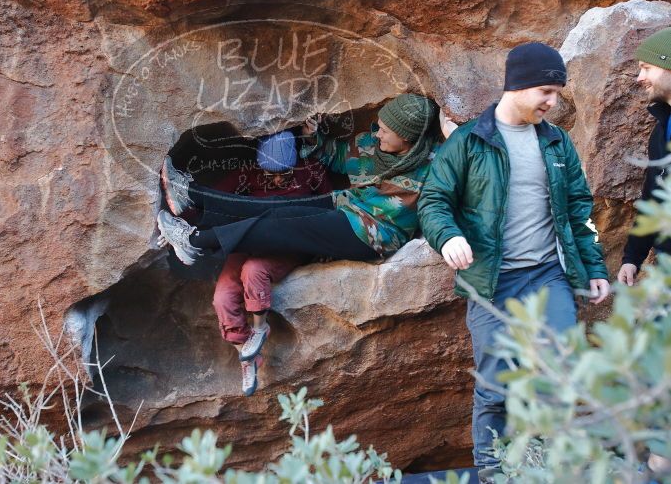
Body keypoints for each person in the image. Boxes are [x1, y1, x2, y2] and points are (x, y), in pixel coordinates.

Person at [417, 42, 610, 478]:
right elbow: (433, 201)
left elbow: (580, 208)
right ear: (518, 85)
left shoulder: (557, 142)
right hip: (491, 283)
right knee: (495, 388)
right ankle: (493, 474)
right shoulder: (469, 142)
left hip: (548, 277)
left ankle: (553, 470)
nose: (552, 102)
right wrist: (447, 236)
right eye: (546, 90)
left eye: (557, 93)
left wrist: (595, 268)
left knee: (559, 377)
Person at [155, 92, 441, 272]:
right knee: (278, 206)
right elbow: (336, 155)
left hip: (372, 234)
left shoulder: (433, 167)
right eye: (378, 125)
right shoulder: (370, 144)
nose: (377, 133)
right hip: (346, 207)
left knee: (284, 224)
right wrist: (311, 135)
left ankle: (194, 241)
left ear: (409, 138)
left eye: (387, 131)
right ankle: (192, 195)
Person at [209, 131, 332, 396]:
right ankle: (247, 355)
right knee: (222, 297)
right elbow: (213, 198)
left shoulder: (310, 170)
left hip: (287, 244)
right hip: (250, 240)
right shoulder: (248, 172)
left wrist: (325, 245)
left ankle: (259, 328)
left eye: (283, 175)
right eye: (270, 175)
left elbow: (330, 207)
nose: (276, 179)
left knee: (254, 270)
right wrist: (181, 221)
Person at [619, 27, 671, 286]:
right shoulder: (662, 129)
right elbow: (653, 197)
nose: (640, 78)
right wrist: (633, 257)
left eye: (647, 68)